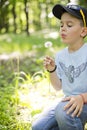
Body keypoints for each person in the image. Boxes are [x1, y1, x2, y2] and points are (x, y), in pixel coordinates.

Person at [32, 3, 87, 130]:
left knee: (63, 113)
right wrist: (52, 70)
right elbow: (58, 87)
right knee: (38, 127)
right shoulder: (60, 55)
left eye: (69, 25)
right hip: (67, 100)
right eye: (61, 25)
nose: (63, 28)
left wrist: (81, 98)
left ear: (83, 31)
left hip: (84, 100)